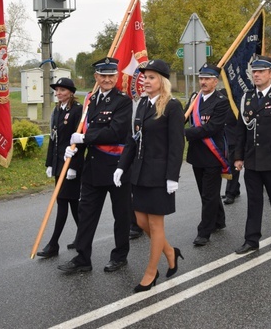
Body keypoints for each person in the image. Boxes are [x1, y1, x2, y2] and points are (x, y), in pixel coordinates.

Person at [58, 57, 132, 274]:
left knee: (121, 214)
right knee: (86, 212)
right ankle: (82, 258)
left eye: (111, 75)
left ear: (116, 77)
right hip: (93, 167)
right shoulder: (91, 100)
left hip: (117, 167)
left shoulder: (123, 101)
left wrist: (85, 139)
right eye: (103, 75)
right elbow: (82, 130)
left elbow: (116, 132)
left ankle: (119, 256)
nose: (107, 79)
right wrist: (73, 149)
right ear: (96, 77)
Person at [117, 59, 184, 291]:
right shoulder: (143, 104)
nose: (146, 80)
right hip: (140, 173)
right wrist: (121, 166)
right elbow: (132, 140)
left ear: (162, 81)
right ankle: (169, 251)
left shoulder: (173, 106)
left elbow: (177, 144)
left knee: (156, 226)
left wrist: (173, 177)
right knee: (141, 221)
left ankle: (150, 272)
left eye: (151, 77)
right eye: (145, 77)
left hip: (160, 175)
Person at [233, 56, 271, 254]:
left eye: (261, 72)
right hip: (252, 159)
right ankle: (251, 239)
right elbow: (241, 129)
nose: (257, 75)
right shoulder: (248, 97)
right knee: (253, 201)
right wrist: (238, 156)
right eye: (254, 72)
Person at [37, 77, 84, 258]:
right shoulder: (57, 110)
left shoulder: (77, 111)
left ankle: (53, 244)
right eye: (57, 90)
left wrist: (73, 166)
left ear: (71, 92)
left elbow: (78, 141)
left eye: (62, 90)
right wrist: (49, 163)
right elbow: (54, 138)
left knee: (63, 203)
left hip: (71, 167)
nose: (58, 93)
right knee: (71, 203)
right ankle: (83, 237)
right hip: (59, 165)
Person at [184, 63, 229, 247]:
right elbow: (184, 117)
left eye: (207, 79)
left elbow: (212, 127)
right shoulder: (195, 98)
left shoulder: (221, 100)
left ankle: (204, 231)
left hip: (213, 154)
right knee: (206, 192)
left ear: (215, 81)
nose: (203, 82)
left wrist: (185, 133)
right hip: (197, 154)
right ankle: (219, 219)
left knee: (209, 194)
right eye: (201, 78)